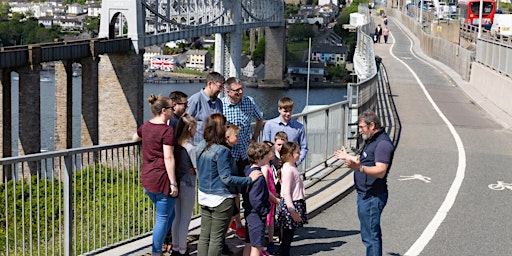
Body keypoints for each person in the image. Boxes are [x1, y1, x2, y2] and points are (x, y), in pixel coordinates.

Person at [196, 113, 261, 256]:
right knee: (217, 239)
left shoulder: (201, 145)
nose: (227, 127)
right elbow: (227, 178)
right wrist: (249, 179)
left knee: (205, 236)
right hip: (221, 198)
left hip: (204, 195)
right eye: (225, 125)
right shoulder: (222, 151)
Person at [333, 110, 395, 256]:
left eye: (361, 127)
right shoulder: (371, 140)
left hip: (372, 196)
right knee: (368, 233)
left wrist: (359, 168)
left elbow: (380, 171)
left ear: (372, 125)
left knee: (371, 236)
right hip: (365, 195)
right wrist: (347, 156)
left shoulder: (383, 144)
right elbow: (365, 159)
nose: (359, 131)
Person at [132, 94, 179, 256]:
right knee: (162, 218)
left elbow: (134, 138)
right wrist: (173, 183)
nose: (174, 110)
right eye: (172, 108)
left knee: (170, 214)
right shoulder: (166, 130)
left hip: (147, 178)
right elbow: (168, 156)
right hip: (162, 180)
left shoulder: (146, 126)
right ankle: (156, 251)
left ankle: (160, 246)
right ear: (164, 111)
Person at [221, 77, 264, 239]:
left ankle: (248, 223)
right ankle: (237, 222)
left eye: (241, 89)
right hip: (230, 155)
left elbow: (260, 118)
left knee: (248, 188)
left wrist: (254, 137)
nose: (240, 92)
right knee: (232, 191)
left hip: (246, 154)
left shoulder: (249, 101)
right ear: (228, 92)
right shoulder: (222, 105)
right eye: (237, 90)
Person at [170, 114, 197, 256]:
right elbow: (197, 168)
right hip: (188, 184)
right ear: (190, 128)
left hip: (177, 183)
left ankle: (175, 247)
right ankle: (182, 249)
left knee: (177, 217)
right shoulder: (191, 148)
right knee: (185, 219)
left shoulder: (175, 144)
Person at [276, 142, 307, 256]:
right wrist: (292, 210)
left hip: (294, 202)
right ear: (289, 155)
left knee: (289, 234)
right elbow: (286, 192)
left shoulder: (291, 166)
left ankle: (284, 251)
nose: (299, 154)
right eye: (297, 152)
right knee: (287, 235)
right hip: (291, 204)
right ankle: (284, 253)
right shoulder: (288, 169)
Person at [241, 142, 272, 256]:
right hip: (256, 215)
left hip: (249, 213)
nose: (267, 158)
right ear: (259, 158)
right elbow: (255, 199)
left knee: (249, 243)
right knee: (257, 246)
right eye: (265, 156)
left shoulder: (247, 171)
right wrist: (264, 212)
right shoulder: (258, 176)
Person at [262, 97, 308, 168]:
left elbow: (304, 147)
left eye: (290, 111)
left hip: (291, 164)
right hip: (273, 164)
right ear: (279, 109)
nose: (288, 114)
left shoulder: (299, 127)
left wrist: (296, 162)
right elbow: (265, 145)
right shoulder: (269, 125)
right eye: (285, 111)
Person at [187, 72, 225, 145]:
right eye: (219, 87)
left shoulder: (219, 103)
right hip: (197, 147)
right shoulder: (195, 100)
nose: (221, 90)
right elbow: (185, 125)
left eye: (222, 87)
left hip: (215, 147)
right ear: (210, 84)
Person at [261, 141, 280, 255]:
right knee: (265, 221)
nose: (274, 153)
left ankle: (271, 241)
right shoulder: (264, 168)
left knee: (271, 220)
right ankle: (262, 246)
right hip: (268, 199)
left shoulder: (270, 166)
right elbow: (263, 187)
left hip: (272, 198)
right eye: (272, 151)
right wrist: (274, 198)